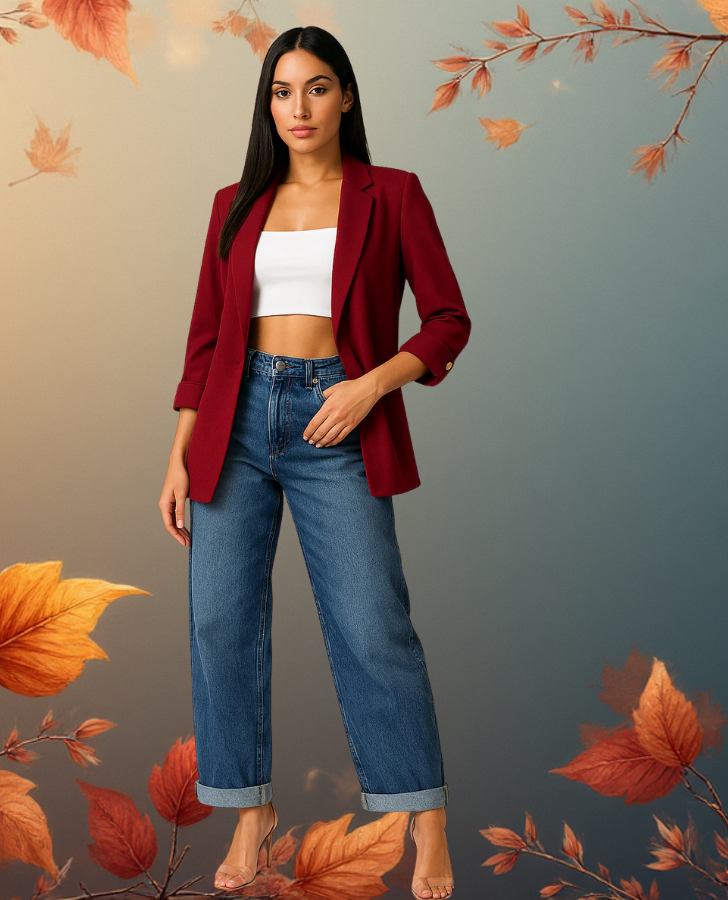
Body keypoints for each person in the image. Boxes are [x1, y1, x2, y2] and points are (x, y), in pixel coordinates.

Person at [159, 24, 471, 900]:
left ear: (348, 97)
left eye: (318, 88)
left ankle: (425, 813)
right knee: (220, 621)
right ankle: (249, 808)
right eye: (283, 91)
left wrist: (369, 387)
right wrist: (178, 455)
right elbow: (203, 344)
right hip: (235, 419)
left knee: (374, 625)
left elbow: (448, 320)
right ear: (268, 104)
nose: (300, 108)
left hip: (341, 415)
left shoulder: (394, 194)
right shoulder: (234, 203)